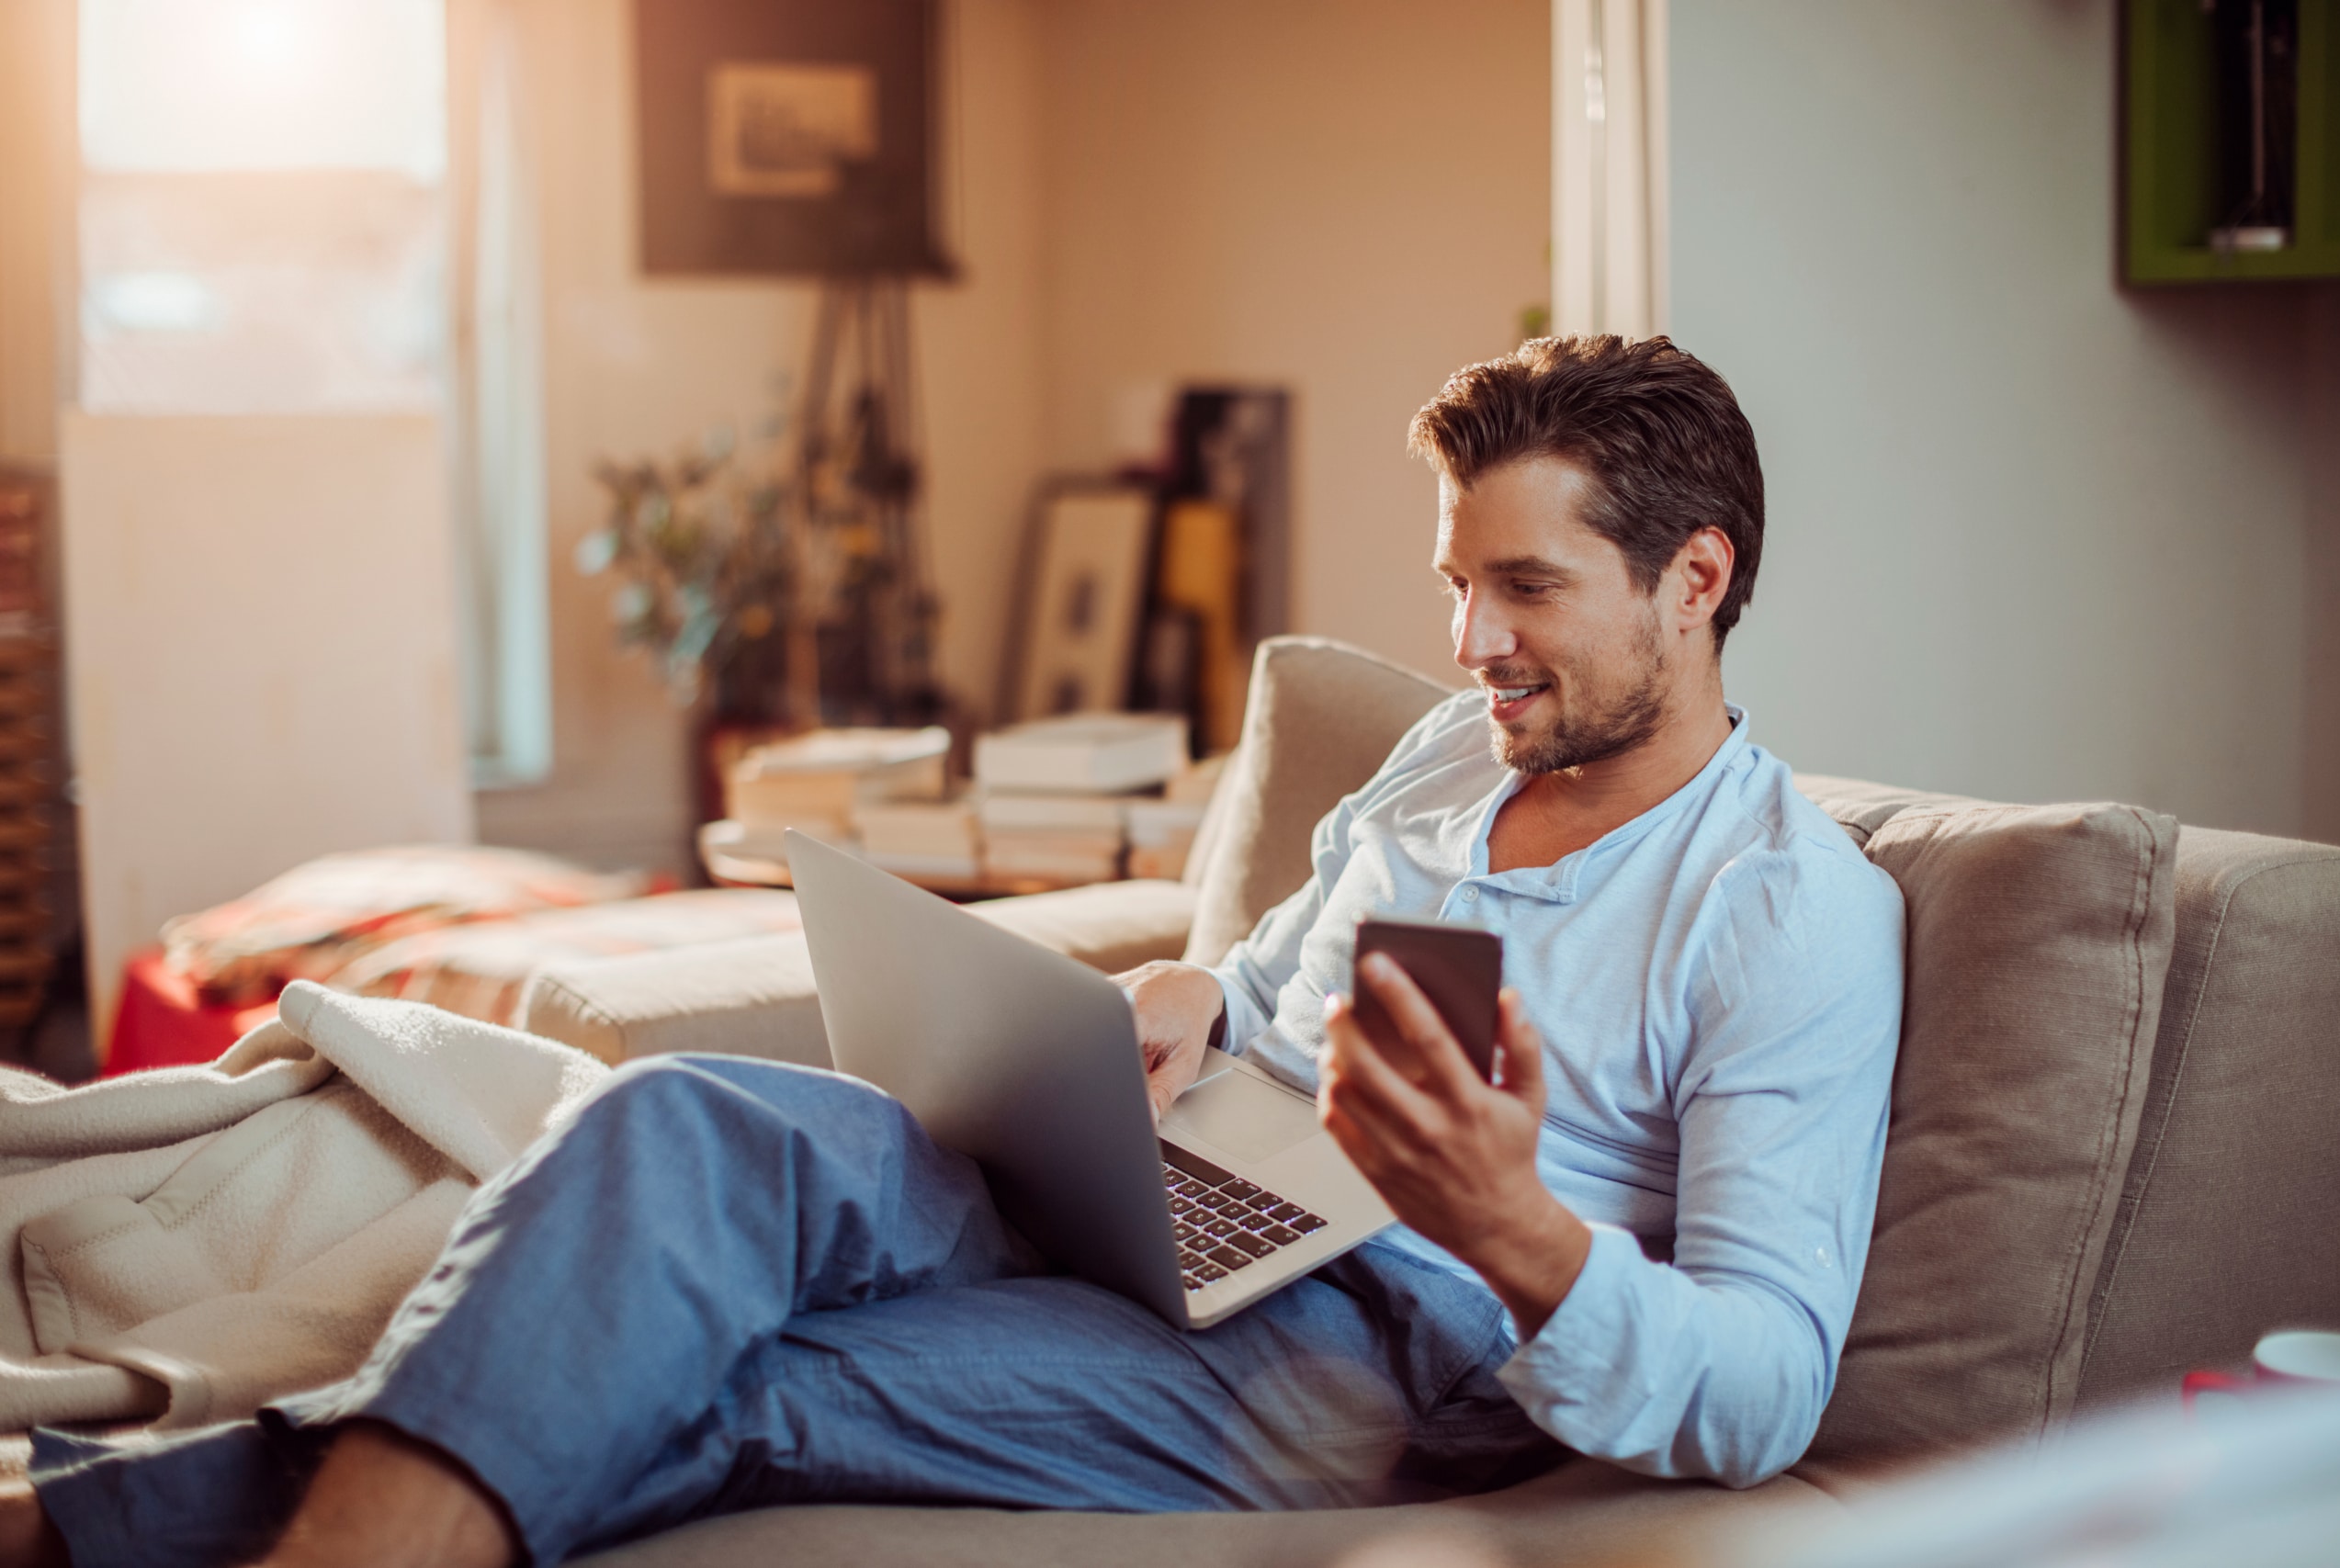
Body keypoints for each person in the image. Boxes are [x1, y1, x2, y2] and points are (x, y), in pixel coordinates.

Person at [0, 336, 1904, 1568]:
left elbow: (1762, 1383)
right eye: (1454, 582)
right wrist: (1181, 999)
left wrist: (1519, 1233)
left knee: (741, 1382)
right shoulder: (1439, 752)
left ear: (1695, 577)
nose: (1470, 637)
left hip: (1359, 1348)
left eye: (1524, 588)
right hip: (1150, 1169)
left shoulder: (1784, 908)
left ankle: (75, 1535)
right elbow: (1267, 992)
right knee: (673, 1128)